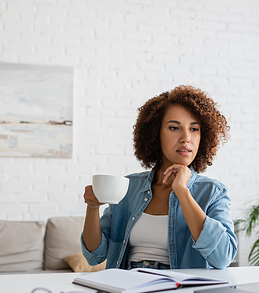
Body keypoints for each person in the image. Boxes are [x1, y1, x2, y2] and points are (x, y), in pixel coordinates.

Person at [81, 85, 237, 270]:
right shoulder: (128, 187)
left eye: (194, 129)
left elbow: (223, 257)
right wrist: (92, 208)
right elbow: (94, 255)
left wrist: (182, 191)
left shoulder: (213, 192)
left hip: (179, 290)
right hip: (127, 285)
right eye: (174, 127)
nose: (186, 138)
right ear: (155, 134)